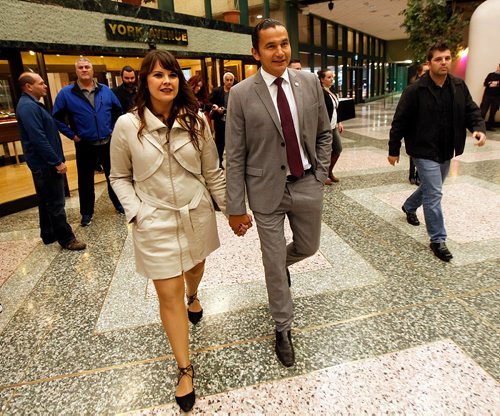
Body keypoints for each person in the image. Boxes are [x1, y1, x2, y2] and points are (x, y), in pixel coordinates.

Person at [109, 50, 249, 412]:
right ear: (145, 81)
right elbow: (119, 177)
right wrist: (136, 212)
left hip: (196, 212)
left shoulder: (197, 121)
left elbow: (213, 172)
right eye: (157, 75)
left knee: (195, 268)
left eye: (172, 74)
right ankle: (184, 368)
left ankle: (194, 294)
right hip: (153, 220)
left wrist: (232, 211)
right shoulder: (127, 125)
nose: (166, 81)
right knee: (166, 294)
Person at [225, 18, 331, 367]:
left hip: (305, 184)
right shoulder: (240, 94)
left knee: (309, 246)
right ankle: (282, 327)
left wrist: (320, 174)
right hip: (265, 191)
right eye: (270, 45)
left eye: (284, 43)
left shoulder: (309, 82)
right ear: (255, 52)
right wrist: (235, 207)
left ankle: (278, 267)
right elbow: (235, 154)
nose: (280, 51)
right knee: (273, 263)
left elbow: (324, 134)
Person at [388, 42, 486, 262]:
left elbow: (471, 110)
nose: (444, 62)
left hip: (446, 148)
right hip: (423, 150)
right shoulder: (415, 90)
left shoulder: (458, 86)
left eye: (447, 58)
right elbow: (400, 122)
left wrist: (478, 129)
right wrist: (393, 150)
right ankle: (438, 239)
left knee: (432, 188)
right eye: (438, 59)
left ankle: (409, 205)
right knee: (435, 194)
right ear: (429, 63)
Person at [15, 72, 86, 251]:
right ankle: (67, 238)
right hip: (45, 165)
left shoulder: (32, 105)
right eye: (41, 83)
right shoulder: (27, 107)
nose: (45, 86)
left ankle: (48, 234)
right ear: (28, 86)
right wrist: (56, 161)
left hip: (43, 164)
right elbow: (38, 138)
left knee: (46, 200)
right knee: (56, 203)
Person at [53, 57, 124, 227]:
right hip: (85, 144)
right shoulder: (66, 93)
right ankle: (86, 213)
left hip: (107, 143)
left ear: (92, 71)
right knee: (85, 181)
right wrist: (73, 135)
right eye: (80, 67)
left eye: (87, 67)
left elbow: (118, 111)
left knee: (113, 176)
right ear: (76, 71)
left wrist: (113, 129)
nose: (84, 70)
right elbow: (56, 118)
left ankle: (120, 204)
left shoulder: (106, 91)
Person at [317, 69, 343, 185]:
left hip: (333, 126)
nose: (332, 79)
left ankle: (329, 171)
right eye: (328, 77)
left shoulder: (332, 92)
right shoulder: (320, 93)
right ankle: (322, 175)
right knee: (324, 152)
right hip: (325, 128)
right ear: (322, 79)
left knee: (338, 149)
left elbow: (335, 109)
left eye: (332, 77)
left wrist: (339, 122)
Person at [408, 63, 430, 185]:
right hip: (415, 126)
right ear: (420, 73)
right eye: (425, 71)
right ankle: (412, 174)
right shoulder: (413, 87)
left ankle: (420, 175)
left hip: (428, 127)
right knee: (414, 153)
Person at [209, 72, 234, 166]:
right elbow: (209, 102)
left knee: (232, 143)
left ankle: (231, 163)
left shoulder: (236, 91)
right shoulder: (217, 91)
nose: (229, 82)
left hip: (232, 122)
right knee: (219, 143)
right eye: (227, 80)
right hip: (220, 121)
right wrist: (216, 107)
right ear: (224, 81)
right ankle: (219, 163)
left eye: (231, 80)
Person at [480, 63, 500, 131]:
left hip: (497, 97)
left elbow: (489, 84)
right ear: (498, 67)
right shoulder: (491, 74)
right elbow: (485, 83)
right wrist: (497, 83)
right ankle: (480, 126)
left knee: (493, 112)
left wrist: (492, 83)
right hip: (487, 96)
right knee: (483, 111)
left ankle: (489, 126)